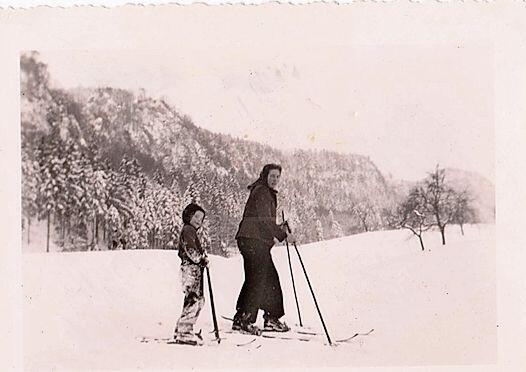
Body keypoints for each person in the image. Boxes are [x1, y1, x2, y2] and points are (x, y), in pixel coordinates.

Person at [233, 163, 297, 334]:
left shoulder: (264, 191)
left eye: (277, 176)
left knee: (266, 278)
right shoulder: (262, 191)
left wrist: (279, 228)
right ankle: (248, 319)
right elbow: (263, 220)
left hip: (254, 240)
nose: (275, 179)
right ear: (264, 175)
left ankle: (260, 317)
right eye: (272, 176)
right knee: (258, 279)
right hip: (253, 241)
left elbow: (264, 221)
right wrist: (284, 236)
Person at [174, 203, 209, 345]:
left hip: (194, 269)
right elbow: (191, 250)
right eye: (196, 216)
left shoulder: (191, 231)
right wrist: (200, 258)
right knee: (194, 299)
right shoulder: (188, 230)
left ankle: (182, 328)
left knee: (195, 299)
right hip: (190, 269)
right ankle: (184, 331)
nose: (198, 220)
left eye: (201, 218)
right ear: (189, 216)